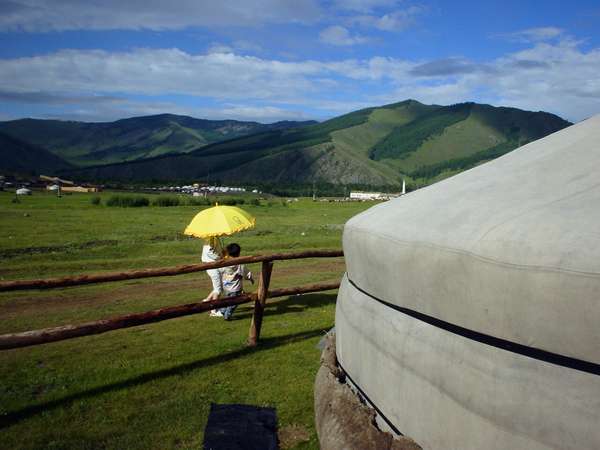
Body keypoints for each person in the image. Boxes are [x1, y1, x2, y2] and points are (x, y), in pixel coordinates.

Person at [215, 243, 253, 320]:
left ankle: (222, 311)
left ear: (228, 252)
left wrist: (222, 258)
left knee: (227, 300)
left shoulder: (225, 262)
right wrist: (250, 278)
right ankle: (227, 315)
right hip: (235, 288)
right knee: (235, 302)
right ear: (239, 253)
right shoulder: (240, 263)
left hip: (226, 286)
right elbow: (245, 272)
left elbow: (220, 270)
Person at [202, 236, 224, 304]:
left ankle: (207, 300)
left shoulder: (210, 239)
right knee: (218, 290)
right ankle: (214, 310)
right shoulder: (212, 239)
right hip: (212, 265)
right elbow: (210, 252)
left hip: (211, 265)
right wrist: (220, 257)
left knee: (218, 287)